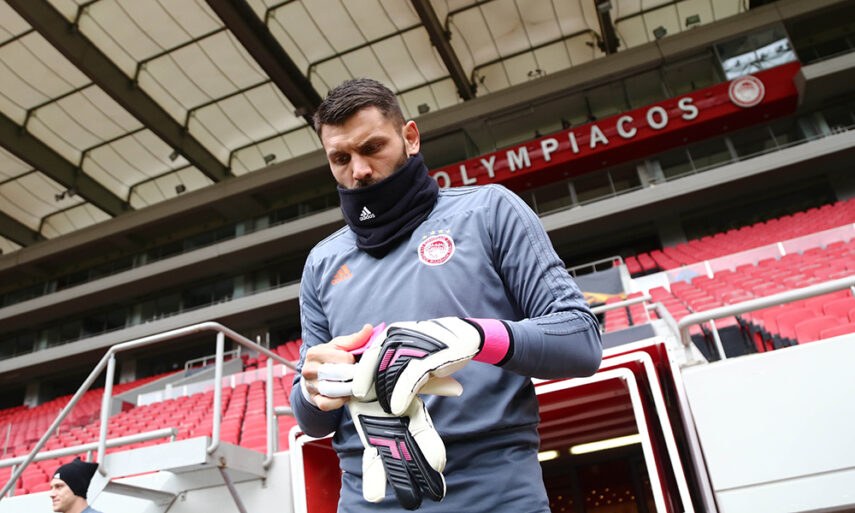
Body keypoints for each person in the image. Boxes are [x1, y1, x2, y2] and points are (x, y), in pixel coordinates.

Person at [290, 78, 602, 512]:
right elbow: (311, 421)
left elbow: (581, 340)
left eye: (372, 148)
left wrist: (477, 337)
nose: (358, 170)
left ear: (410, 137)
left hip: (495, 496)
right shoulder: (322, 262)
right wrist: (314, 388)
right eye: (341, 158)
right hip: (369, 495)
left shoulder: (489, 210)